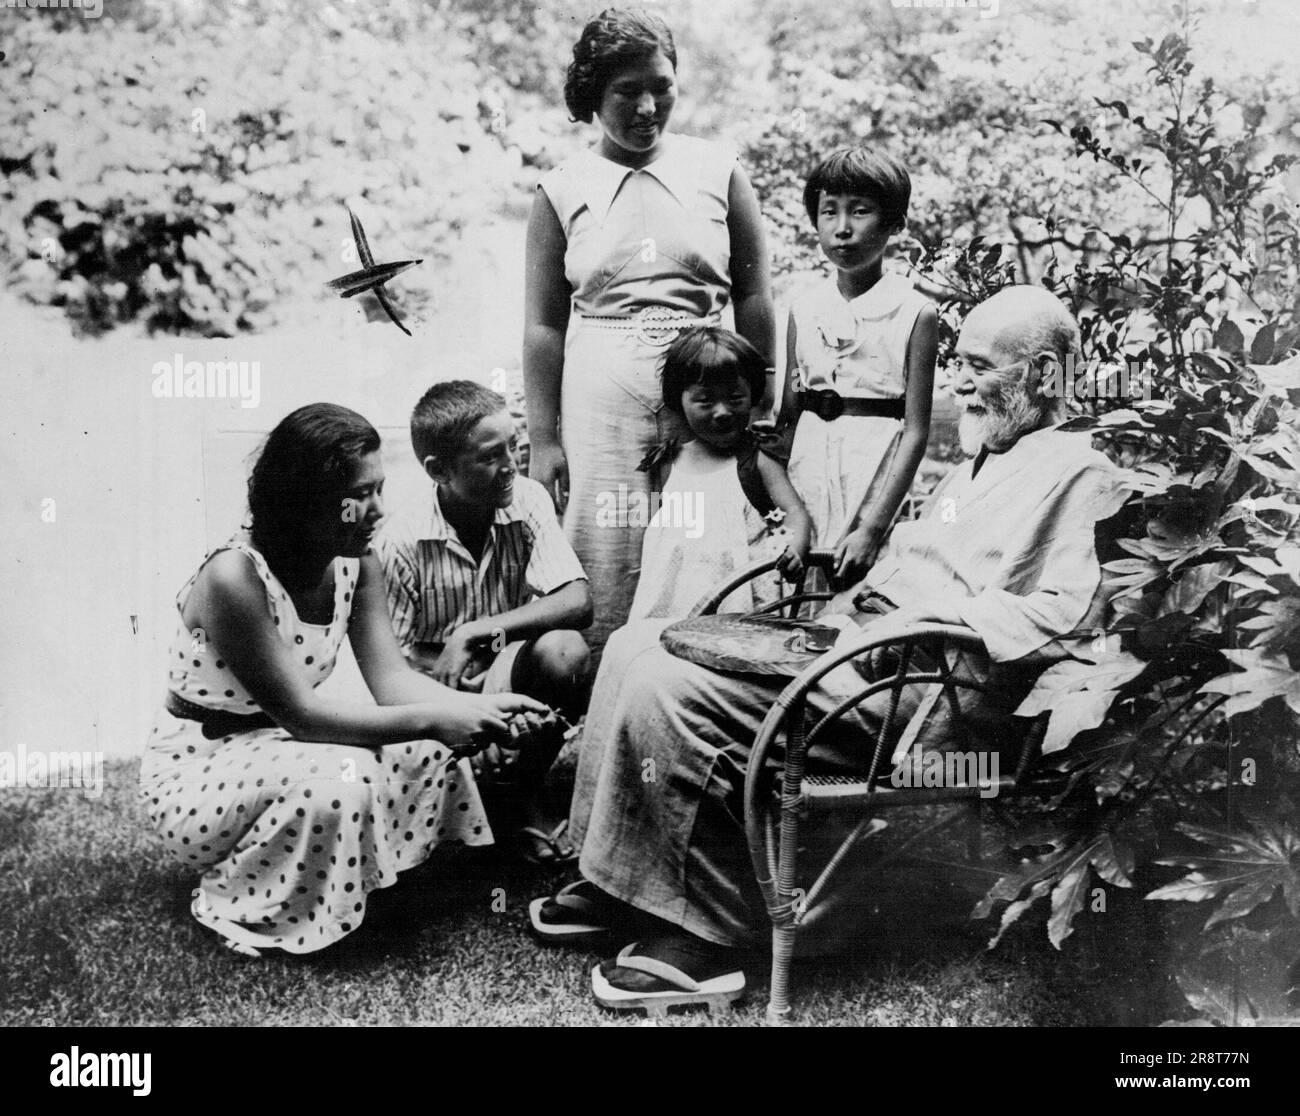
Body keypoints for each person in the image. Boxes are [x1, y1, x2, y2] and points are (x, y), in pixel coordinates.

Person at [532, 286, 1130, 1012]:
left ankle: (706, 934)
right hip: (863, 648)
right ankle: (614, 875)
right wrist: (858, 610)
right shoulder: (989, 456)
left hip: (921, 684)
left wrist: (930, 615)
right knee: (634, 643)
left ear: (1041, 372)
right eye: (957, 365)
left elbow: (1071, 617)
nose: (960, 383)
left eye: (978, 367)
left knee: (670, 686)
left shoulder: (1082, 472)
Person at [140, 404, 549, 957]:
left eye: (380, 488)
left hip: (276, 746)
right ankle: (239, 903)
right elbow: (303, 717)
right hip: (202, 767)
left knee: (422, 747)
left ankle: (358, 883)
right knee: (343, 772)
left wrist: (486, 709)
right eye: (362, 494)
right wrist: (440, 717)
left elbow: (393, 682)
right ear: (304, 499)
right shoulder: (233, 576)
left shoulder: (358, 562)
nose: (379, 510)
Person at [523, 7, 776, 659]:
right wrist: (545, 438)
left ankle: (698, 692)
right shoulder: (560, 187)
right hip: (598, 405)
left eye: (660, 86)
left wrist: (762, 403)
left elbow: (753, 294)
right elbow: (545, 325)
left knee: (700, 544)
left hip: (706, 397)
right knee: (606, 552)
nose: (646, 106)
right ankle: (591, 700)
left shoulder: (717, 169)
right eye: (626, 91)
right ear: (592, 96)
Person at [376, 380, 593, 863]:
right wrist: (463, 712)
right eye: (491, 456)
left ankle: (522, 794)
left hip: (506, 668)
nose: (510, 466)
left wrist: (477, 631)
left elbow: (578, 601)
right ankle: (469, 795)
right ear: (439, 470)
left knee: (566, 652)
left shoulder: (528, 498)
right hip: (434, 687)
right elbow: (390, 671)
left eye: (514, 447)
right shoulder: (400, 541)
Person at [774, 147, 938, 587]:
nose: (842, 229)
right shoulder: (804, 308)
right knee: (797, 595)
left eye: (860, 212)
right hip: (808, 468)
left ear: (894, 224)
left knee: (859, 592)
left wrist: (873, 527)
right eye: (829, 212)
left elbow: (917, 430)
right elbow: (788, 413)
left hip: (873, 470)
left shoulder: (915, 313)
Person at [626, 328, 812, 621]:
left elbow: (794, 512)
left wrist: (794, 548)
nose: (722, 411)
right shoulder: (668, 461)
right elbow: (657, 534)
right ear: (679, 401)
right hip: (673, 596)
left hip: (738, 595)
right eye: (705, 401)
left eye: (735, 397)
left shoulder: (757, 460)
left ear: (752, 395)